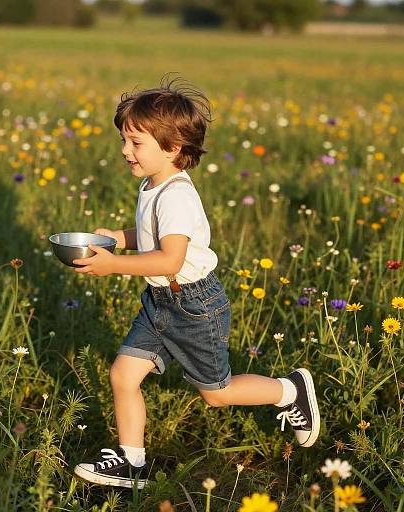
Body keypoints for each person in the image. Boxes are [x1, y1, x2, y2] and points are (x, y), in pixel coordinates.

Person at [71, 77, 320, 489]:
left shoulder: (176, 196)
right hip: (160, 302)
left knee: (217, 394)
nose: (124, 150)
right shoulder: (153, 185)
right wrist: (119, 238)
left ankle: (288, 390)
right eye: (124, 140)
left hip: (193, 306)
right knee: (123, 375)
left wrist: (115, 264)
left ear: (172, 148)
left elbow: (171, 257)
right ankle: (132, 462)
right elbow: (154, 236)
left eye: (136, 142)